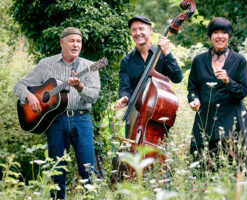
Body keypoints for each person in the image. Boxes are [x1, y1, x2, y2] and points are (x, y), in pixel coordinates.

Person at [14, 27, 100, 199]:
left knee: (88, 169)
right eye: (72, 41)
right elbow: (19, 86)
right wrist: (30, 96)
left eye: (79, 41)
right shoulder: (46, 64)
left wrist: (80, 87)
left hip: (81, 120)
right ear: (62, 43)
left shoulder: (90, 66)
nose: (76, 44)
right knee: (56, 171)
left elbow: (93, 97)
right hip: (55, 122)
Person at [187, 17, 247, 173]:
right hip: (205, 121)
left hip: (232, 121)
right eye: (216, 32)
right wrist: (194, 100)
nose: (220, 36)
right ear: (210, 36)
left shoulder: (239, 60)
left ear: (229, 36)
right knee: (205, 167)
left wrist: (227, 80)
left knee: (237, 165)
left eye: (224, 32)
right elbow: (192, 87)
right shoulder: (198, 61)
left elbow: (243, 91)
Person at [115, 15, 182, 115]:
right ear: (131, 33)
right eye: (134, 30)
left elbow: (177, 78)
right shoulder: (126, 61)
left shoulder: (162, 55)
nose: (138, 33)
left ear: (150, 30)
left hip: (158, 113)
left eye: (141, 29)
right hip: (135, 116)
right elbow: (125, 88)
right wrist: (125, 97)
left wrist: (167, 52)